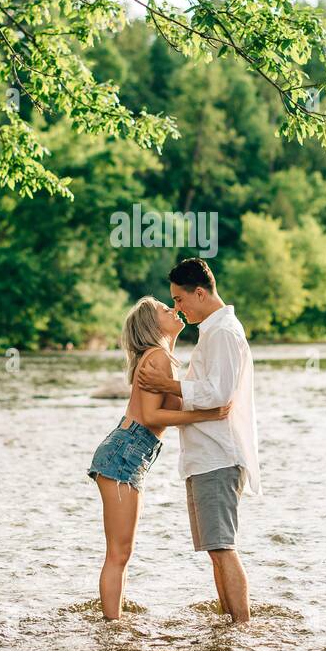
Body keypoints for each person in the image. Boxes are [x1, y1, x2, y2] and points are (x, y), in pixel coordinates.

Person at [87, 295, 231, 621]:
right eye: (166, 310)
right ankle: (112, 627)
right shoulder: (157, 357)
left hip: (126, 454)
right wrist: (207, 415)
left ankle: (113, 621)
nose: (174, 309)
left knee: (121, 552)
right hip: (123, 455)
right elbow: (153, 417)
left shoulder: (160, 356)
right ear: (153, 326)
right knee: (119, 553)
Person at [138, 257, 260, 624]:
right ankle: (228, 626)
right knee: (215, 549)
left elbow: (219, 394)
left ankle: (241, 627)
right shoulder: (213, 330)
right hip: (205, 456)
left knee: (223, 547)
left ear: (200, 293)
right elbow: (207, 393)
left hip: (218, 456)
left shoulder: (223, 332)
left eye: (179, 299)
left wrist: (166, 386)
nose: (177, 307)